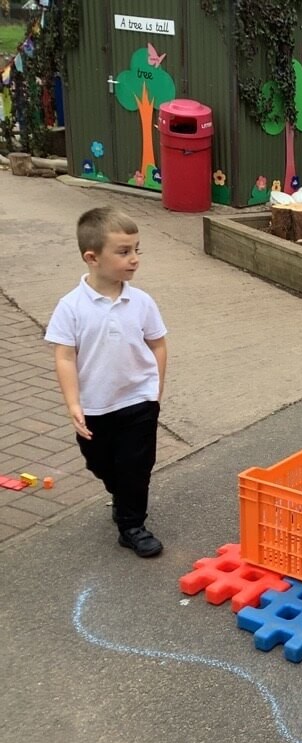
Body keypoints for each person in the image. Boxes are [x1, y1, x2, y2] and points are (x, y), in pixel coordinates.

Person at [44, 207, 168, 558]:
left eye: (136, 250)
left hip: (138, 400)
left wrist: (154, 388)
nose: (134, 260)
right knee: (100, 462)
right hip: (96, 404)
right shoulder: (71, 307)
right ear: (92, 257)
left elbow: (157, 343)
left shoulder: (141, 302)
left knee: (136, 466)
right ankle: (121, 493)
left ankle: (132, 526)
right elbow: (64, 356)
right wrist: (73, 404)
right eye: (124, 252)